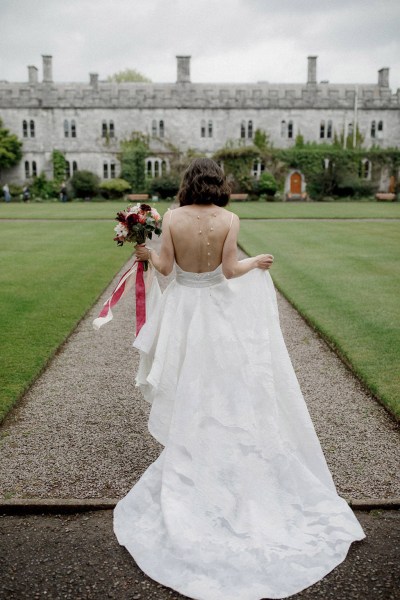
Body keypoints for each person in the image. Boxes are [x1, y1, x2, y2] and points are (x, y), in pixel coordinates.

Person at [114, 158, 365, 600]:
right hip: (217, 314)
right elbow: (230, 272)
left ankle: (194, 451)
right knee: (225, 386)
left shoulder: (171, 218)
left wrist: (147, 254)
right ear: (219, 184)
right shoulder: (230, 218)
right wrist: (256, 264)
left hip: (184, 315)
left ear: (188, 182)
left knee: (190, 383)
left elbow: (167, 271)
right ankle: (224, 453)